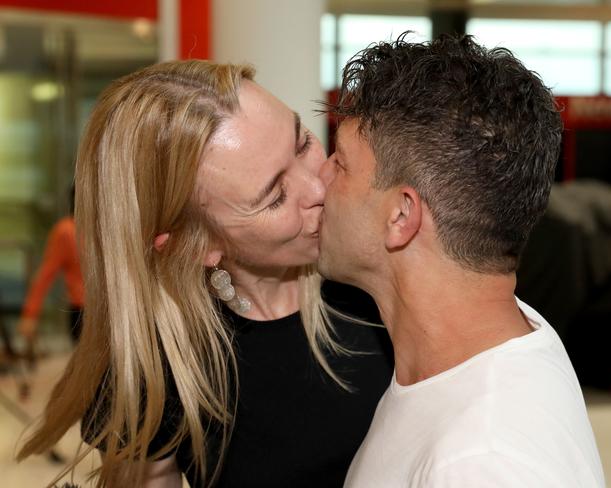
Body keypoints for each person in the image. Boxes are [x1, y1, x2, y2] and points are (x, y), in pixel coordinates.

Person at [17, 61, 392, 487]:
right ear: (195, 245)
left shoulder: (382, 270)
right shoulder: (160, 374)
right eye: (275, 197)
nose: (319, 189)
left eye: (302, 141)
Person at [318, 34, 606, 487]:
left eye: (340, 164)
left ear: (401, 215)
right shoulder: (503, 330)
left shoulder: (480, 463)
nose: (319, 179)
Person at [18, 186, 84, 343]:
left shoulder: (68, 231)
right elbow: (46, 274)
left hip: (109, 309)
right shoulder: (67, 231)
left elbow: (45, 275)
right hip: (84, 313)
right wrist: (30, 314)